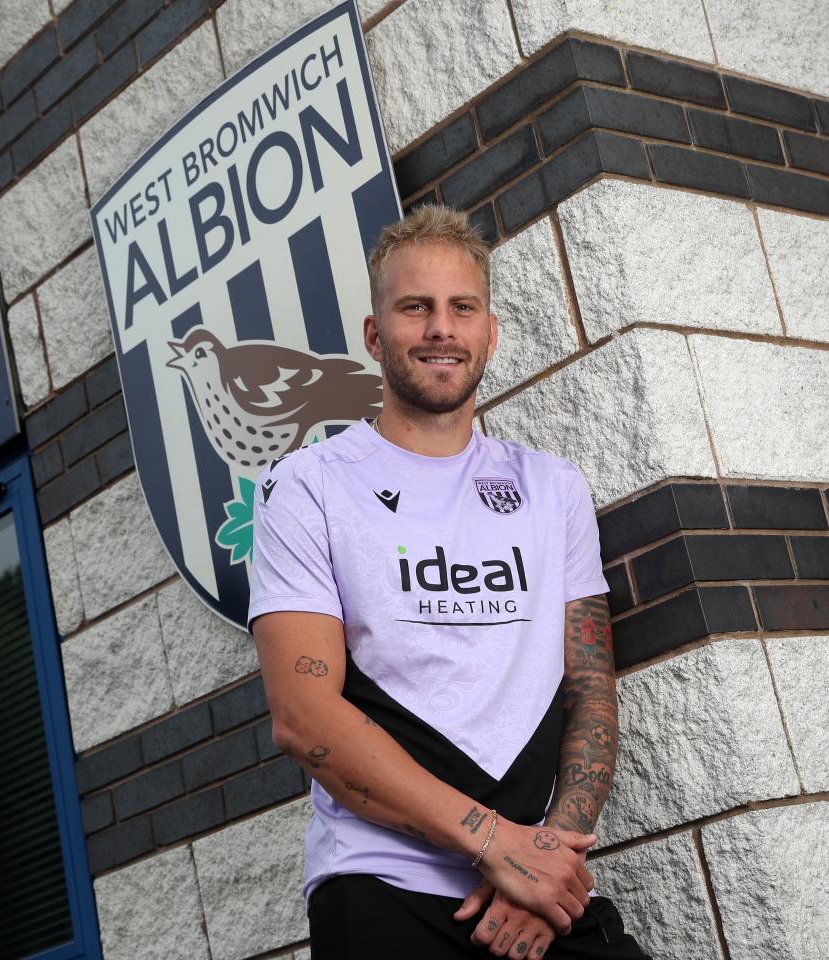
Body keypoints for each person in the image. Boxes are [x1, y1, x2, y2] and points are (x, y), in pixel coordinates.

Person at [247, 205, 649, 959]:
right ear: (375, 336)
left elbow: (590, 689)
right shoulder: (307, 486)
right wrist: (495, 844)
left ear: (489, 333)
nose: (441, 328)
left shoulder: (553, 487)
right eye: (415, 308)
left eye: (462, 308)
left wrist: (545, 858)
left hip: (534, 888)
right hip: (383, 888)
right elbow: (302, 716)